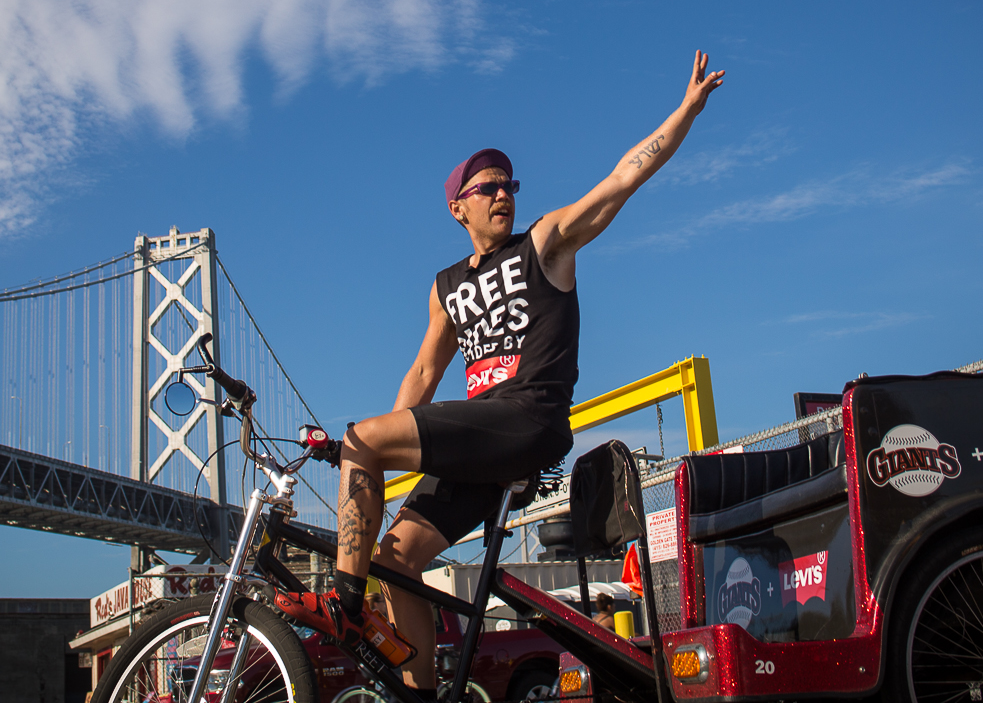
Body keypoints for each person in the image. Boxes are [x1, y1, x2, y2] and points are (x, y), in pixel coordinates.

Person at [276, 52, 726, 698]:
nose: (504, 195)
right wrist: (380, 447)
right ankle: (423, 692)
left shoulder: (545, 243)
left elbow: (622, 179)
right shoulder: (446, 287)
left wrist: (685, 112)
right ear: (458, 207)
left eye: (510, 185)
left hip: (529, 421)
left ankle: (345, 605)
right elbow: (425, 374)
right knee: (394, 561)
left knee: (365, 446)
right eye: (488, 187)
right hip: (478, 445)